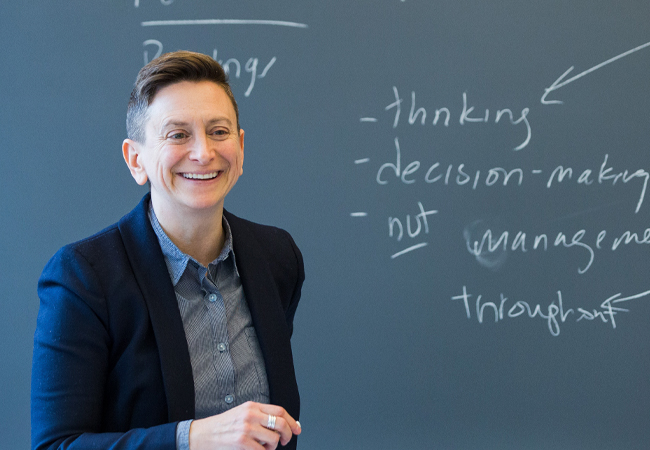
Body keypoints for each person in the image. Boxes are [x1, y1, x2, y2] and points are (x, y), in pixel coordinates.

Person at [31, 51, 304, 450]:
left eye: (219, 131)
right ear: (135, 159)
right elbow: (56, 445)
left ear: (240, 149)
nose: (203, 152)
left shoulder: (277, 258)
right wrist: (191, 438)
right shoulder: (82, 279)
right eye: (178, 134)